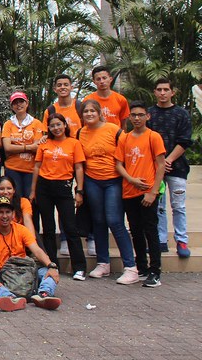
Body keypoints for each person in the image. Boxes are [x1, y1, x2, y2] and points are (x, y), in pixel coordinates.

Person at [79, 98, 137, 283]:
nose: (89, 114)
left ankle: (130, 267)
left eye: (92, 111)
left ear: (99, 113)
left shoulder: (114, 129)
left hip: (113, 180)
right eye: (86, 111)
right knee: (98, 221)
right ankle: (103, 263)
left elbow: (128, 152)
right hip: (92, 180)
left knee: (115, 221)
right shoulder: (81, 133)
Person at [115, 101, 167, 287]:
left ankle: (155, 271)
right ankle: (142, 267)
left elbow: (161, 165)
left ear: (147, 116)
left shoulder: (153, 137)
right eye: (133, 115)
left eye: (140, 115)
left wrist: (153, 191)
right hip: (129, 192)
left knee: (150, 231)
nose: (137, 118)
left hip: (148, 193)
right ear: (129, 117)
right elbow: (119, 164)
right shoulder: (125, 138)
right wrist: (131, 179)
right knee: (135, 231)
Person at [31, 113, 88, 280]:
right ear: (48, 128)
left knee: (70, 227)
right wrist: (33, 191)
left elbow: (79, 168)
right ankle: (51, 264)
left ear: (65, 125)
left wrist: (79, 191)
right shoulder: (44, 144)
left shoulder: (74, 143)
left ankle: (79, 267)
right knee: (48, 228)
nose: (56, 128)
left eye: (59, 124)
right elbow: (36, 167)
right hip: (44, 187)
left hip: (64, 187)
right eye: (53, 125)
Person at [0, 196, 62, 311]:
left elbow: (36, 250)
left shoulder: (21, 229)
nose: (5, 216)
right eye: (1, 212)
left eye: (8, 212)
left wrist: (51, 266)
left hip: (23, 270)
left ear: (13, 214)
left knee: (48, 272)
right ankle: (9, 298)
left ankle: (44, 295)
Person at [148, 78, 193, 258]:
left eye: (166, 89)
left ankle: (181, 240)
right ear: (155, 92)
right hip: (155, 169)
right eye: (159, 89)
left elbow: (185, 141)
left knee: (178, 206)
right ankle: (160, 240)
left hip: (178, 168)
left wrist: (168, 161)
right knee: (158, 206)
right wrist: (159, 163)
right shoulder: (149, 114)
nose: (163, 93)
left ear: (172, 92)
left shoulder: (182, 114)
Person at [0, 91, 45, 199]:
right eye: (15, 103)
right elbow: (7, 147)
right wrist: (28, 147)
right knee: (15, 200)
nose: (19, 105)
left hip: (31, 169)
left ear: (27, 103)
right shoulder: (8, 124)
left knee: (31, 200)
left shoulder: (36, 123)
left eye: (21, 101)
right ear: (11, 106)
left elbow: (37, 147)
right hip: (12, 168)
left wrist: (17, 147)